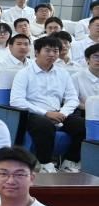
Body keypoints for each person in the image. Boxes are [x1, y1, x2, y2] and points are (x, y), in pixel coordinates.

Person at [9, 35, 84, 172]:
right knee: (44, 125)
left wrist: (62, 113)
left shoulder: (63, 73)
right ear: (37, 52)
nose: (52, 54)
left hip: (58, 112)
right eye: (47, 50)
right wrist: (46, 113)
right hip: (33, 113)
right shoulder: (24, 73)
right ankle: (45, 163)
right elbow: (16, 100)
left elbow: (73, 98)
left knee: (82, 125)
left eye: (55, 51)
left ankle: (69, 162)